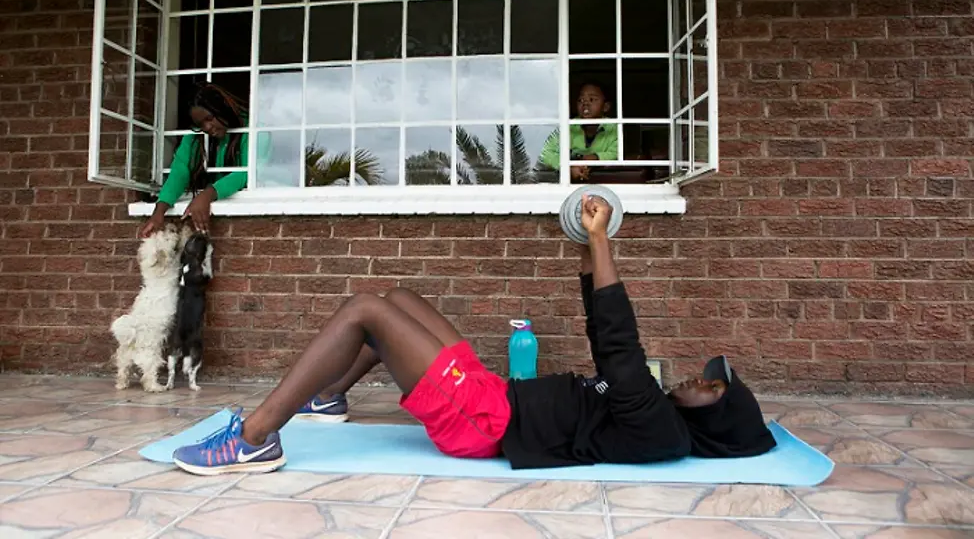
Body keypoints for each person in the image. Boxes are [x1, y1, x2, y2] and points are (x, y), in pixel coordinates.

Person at [171, 196, 776, 475]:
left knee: (364, 311)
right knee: (397, 299)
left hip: (482, 423)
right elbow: (602, 334)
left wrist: (602, 240)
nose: (703, 378)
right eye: (712, 376)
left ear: (715, 422)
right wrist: (588, 257)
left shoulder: (662, 433)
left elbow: (620, 345)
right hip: (492, 397)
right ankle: (329, 397)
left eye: (714, 390)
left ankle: (254, 439)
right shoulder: (652, 415)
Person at [139, 82, 251, 238]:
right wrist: (159, 211)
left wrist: (207, 195)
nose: (207, 127)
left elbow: (247, 172)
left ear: (222, 108)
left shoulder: (251, 128)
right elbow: (180, 170)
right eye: (201, 124)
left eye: (210, 118)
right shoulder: (195, 136)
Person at [538, 81, 619, 182]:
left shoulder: (614, 126)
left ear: (606, 107)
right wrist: (568, 167)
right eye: (580, 100)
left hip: (604, 180)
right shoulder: (568, 126)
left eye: (592, 99)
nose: (585, 103)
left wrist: (595, 158)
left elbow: (617, 152)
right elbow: (546, 153)